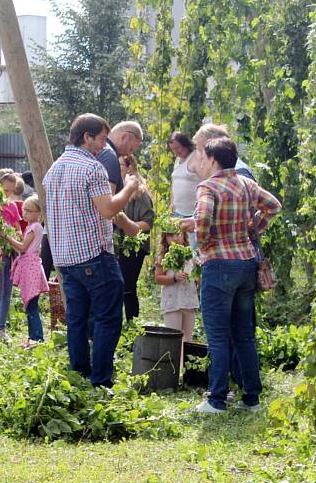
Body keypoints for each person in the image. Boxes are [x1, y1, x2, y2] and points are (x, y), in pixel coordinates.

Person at [43, 113, 139, 388]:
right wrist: (130, 186)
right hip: (93, 256)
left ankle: (79, 375)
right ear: (86, 137)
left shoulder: (56, 168)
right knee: (108, 318)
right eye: (99, 139)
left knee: (76, 319)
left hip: (65, 258)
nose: (102, 146)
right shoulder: (91, 168)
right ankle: (101, 381)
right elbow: (107, 209)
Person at [191, 137, 281, 414]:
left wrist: (204, 243)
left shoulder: (208, 186)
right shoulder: (246, 183)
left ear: (213, 159)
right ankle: (251, 398)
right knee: (244, 335)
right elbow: (274, 206)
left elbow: (203, 219)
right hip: (246, 264)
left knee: (217, 336)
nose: (202, 162)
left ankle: (216, 399)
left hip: (218, 266)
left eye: (204, 157)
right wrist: (253, 228)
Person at [5, 195, 49, 349]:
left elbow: (23, 248)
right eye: (24, 210)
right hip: (30, 266)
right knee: (31, 305)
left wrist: (7, 237)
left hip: (30, 267)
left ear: (39, 213)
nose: (25, 214)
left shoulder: (34, 226)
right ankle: (33, 337)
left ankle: (36, 338)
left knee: (32, 306)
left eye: (29, 211)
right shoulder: (33, 227)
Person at [116, 154, 154, 321]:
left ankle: (133, 327)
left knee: (128, 288)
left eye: (120, 166)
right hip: (118, 246)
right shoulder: (116, 189)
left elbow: (148, 223)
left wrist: (128, 226)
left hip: (134, 247)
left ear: (130, 167)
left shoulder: (139, 192)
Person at [154, 229, 199, 369]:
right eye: (170, 234)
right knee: (173, 338)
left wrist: (196, 279)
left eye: (178, 234)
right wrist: (173, 278)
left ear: (184, 235)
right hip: (172, 301)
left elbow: (197, 276)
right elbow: (158, 278)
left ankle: (184, 371)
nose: (175, 238)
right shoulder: (163, 256)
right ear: (165, 237)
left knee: (187, 338)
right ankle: (170, 371)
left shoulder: (190, 255)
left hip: (189, 301)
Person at [0, 169, 23, 340]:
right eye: (5, 190)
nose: (7, 194)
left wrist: (18, 240)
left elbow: (17, 228)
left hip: (9, 253)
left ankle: (1, 327)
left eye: (10, 191)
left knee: (6, 291)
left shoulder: (11, 206)